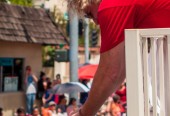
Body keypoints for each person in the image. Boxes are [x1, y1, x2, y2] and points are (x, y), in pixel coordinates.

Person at [68, 0, 170, 115]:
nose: (96, 22)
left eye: (89, 14)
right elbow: (119, 71)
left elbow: (110, 73)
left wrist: (84, 113)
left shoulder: (111, 5)